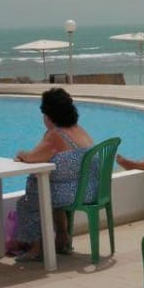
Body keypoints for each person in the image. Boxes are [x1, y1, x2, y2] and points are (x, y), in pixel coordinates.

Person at [11, 88, 95, 262]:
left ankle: (36, 249)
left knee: (29, 201)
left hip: (73, 193)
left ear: (50, 114)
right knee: (47, 191)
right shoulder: (79, 129)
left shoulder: (55, 135)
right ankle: (62, 238)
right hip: (90, 188)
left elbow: (33, 157)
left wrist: (21, 154)